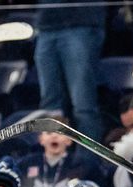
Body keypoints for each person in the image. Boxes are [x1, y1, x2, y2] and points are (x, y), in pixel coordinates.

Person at [33, 0, 106, 140]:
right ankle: (53, 150)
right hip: (46, 25)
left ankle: (88, 152)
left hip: (81, 23)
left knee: (83, 102)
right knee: (50, 104)